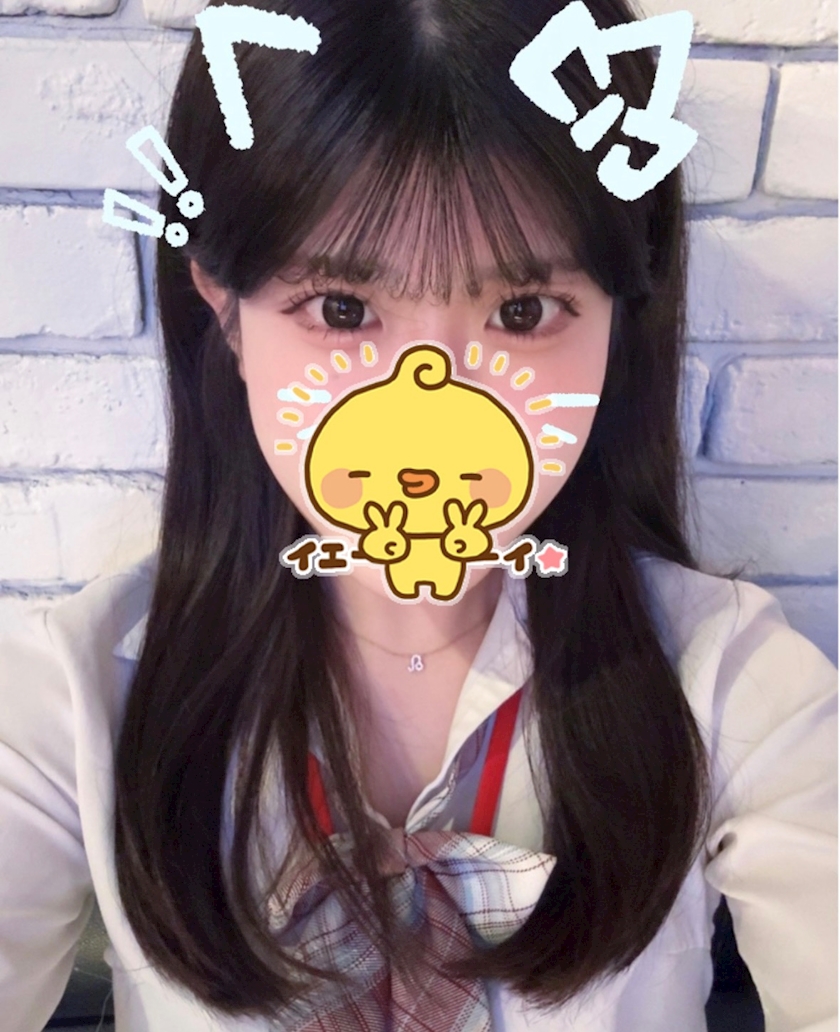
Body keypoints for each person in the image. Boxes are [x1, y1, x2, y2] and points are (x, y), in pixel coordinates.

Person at [0, 0, 836, 1030]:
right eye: (343, 310)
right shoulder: (75, 698)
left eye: (522, 313)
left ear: (621, 316)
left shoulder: (733, 688)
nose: (430, 413)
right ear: (223, 306)